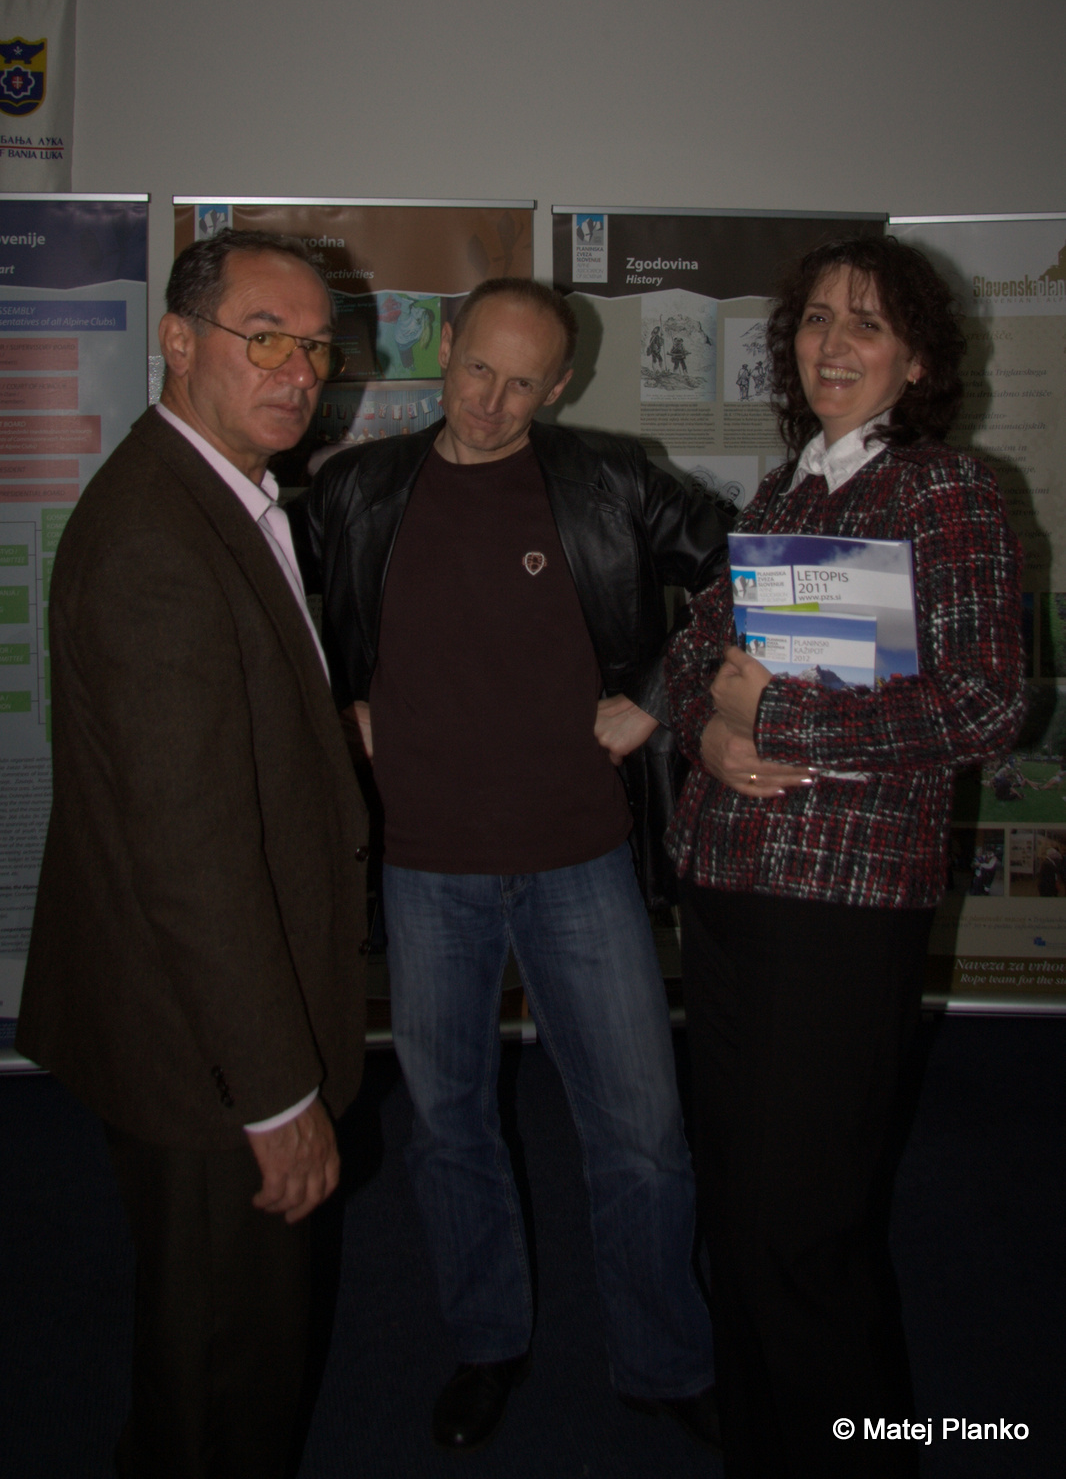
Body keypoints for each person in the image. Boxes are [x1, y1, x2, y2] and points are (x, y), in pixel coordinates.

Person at [292, 277, 729, 1454]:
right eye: (478, 369)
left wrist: (657, 696)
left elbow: (747, 567)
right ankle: (487, 1343)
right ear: (446, 347)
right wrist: (335, 710)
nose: (490, 402)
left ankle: (665, 1358)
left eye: (523, 383)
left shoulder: (611, 481)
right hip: (424, 864)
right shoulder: (359, 489)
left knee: (642, 1136)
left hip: (579, 856)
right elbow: (265, 604)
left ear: (561, 386)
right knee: (449, 1129)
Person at [665, 235, 1025, 1478]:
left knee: (799, 1231)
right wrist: (711, 736)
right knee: (737, 1206)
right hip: (728, 886)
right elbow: (693, 658)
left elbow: (983, 704)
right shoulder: (784, 490)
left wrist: (777, 717)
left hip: (839, 903)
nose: (831, 343)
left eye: (865, 323)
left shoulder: (942, 490)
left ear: (915, 359)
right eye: (816, 319)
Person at [16, 229, 370, 1479]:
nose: (298, 371)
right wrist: (276, 1098)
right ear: (178, 340)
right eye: (263, 338)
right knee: (229, 1370)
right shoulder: (160, 538)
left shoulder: (218, 491)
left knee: (207, 1339)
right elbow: (191, 854)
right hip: (210, 1054)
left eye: (315, 347)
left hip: (192, 1021)